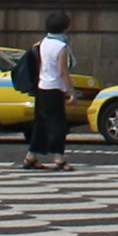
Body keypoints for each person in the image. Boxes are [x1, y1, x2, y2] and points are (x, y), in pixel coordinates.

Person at [27, 12, 74, 170]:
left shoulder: (43, 42)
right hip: (54, 88)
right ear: (65, 27)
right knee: (59, 125)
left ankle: (31, 156)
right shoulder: (61, 46)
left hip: (42, 86)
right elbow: (62, 71)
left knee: (40, 124)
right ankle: (59, 157)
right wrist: (71, 91)